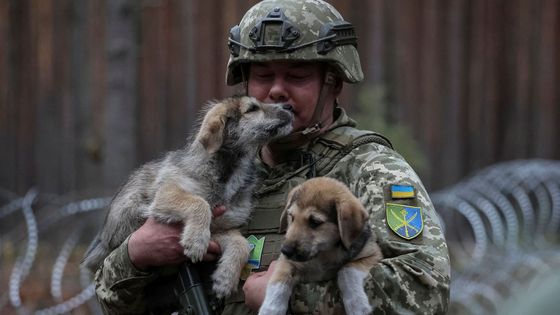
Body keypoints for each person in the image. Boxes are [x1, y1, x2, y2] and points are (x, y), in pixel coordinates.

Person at [93, 0, 450, 314]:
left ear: (334, 83)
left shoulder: (369, 169)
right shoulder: (217, 176)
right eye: (263, 75)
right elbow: (115, 302)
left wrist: (290, 295)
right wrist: (135, 256)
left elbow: (425, 289)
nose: (277, 90)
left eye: (297, 75)